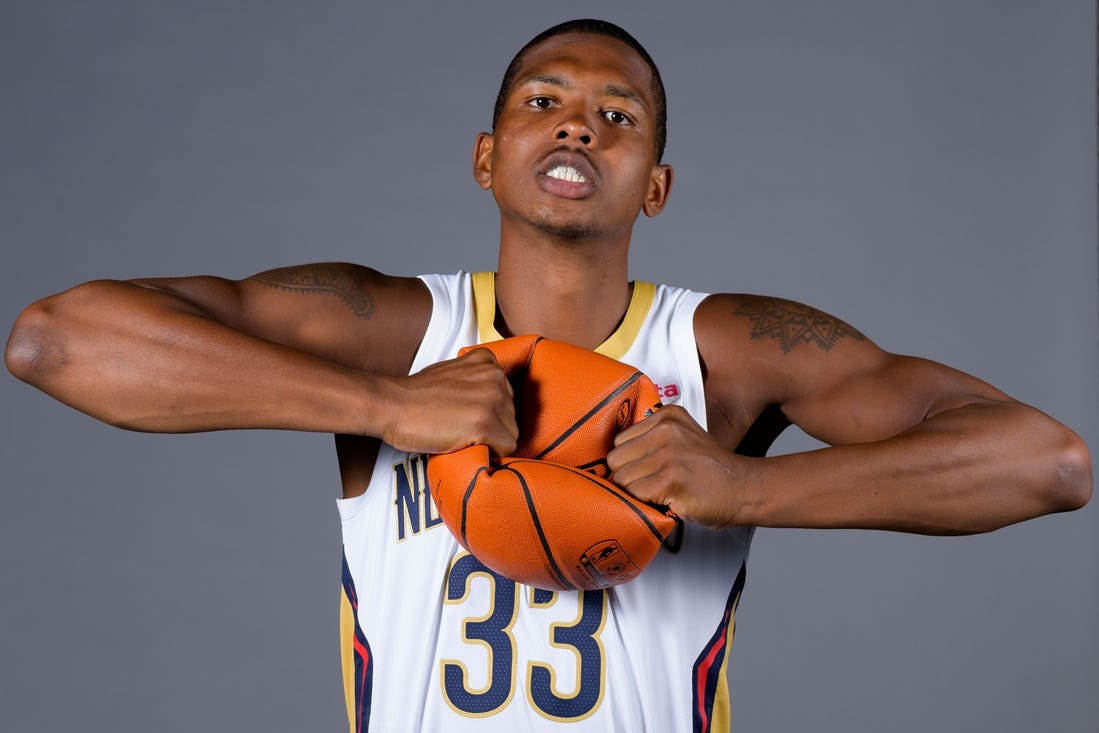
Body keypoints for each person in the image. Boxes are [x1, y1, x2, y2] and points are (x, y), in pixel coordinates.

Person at [4, 17, 1091, 733]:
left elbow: (1046, 462)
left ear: (653, 186)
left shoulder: (728, 351)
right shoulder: (392, 332)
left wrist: (747, 489)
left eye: (618, 117)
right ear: (486, 158)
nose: (579, 121)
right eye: (544, 101)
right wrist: (387, 406)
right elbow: (55, 340)